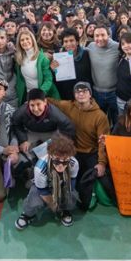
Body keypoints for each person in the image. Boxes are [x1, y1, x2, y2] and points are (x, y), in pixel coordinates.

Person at [49, 82, 110, 211]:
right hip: (74, 153)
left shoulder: (100, 116)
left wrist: (102, 163)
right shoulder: (69, 106)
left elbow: (103, 142)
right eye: (77, 91)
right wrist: (37, 100)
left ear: (90, 95)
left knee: (103, 181)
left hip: (91, 153)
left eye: (84, 91)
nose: (81, 94)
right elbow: (53, 102)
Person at [15, 134, 79, 230]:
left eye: (65, 161)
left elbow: (72, 183)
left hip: (62, 183)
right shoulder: (40, 168)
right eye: (57, 161)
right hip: (44, 186)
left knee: (72, 197)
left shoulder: (74, 163)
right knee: (35, 201)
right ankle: (28, 214)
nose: (61, 165)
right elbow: (43, 192)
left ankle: (64, 210)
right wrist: (53, 205)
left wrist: (65, 197)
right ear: (50, 155)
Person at [11, 88, 76, 158]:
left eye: (38, 104)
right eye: (32, 105)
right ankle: (30, 164)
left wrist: (62, 143)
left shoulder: (54, 113)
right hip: (31, 132)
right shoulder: (21, 112)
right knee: (24, 149)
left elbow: (68, 126)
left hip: (51, 133)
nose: (36, 109)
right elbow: (16, 123)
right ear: (27, 104)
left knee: (57, 151)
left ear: (45, 102)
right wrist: (23, 140)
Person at [14, 30, 60, 104]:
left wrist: (39, 95)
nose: (25, 42)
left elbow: (48, 80)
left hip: (44, 95)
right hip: (28, 96)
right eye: (22, 40)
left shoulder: (42, 58)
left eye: (27, 39)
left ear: (32, 40)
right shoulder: (19, 59)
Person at [87, 24, 120, 125]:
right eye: (97, 35)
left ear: (109, 35)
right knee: (99, 122)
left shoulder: (117, 47)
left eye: (103, 35)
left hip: (115, 93)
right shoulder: (90, 47)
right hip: (97, 93)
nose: (100, 38)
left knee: (117, 122)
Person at [51, 28, 92, 101]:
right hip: (66, 98)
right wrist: (54, 71)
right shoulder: (58, 57)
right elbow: (57, 82)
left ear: (77, 42)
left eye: (71, 40)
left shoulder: (86, 55)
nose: (69, 44)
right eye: (66, 41)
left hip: (83, 97)